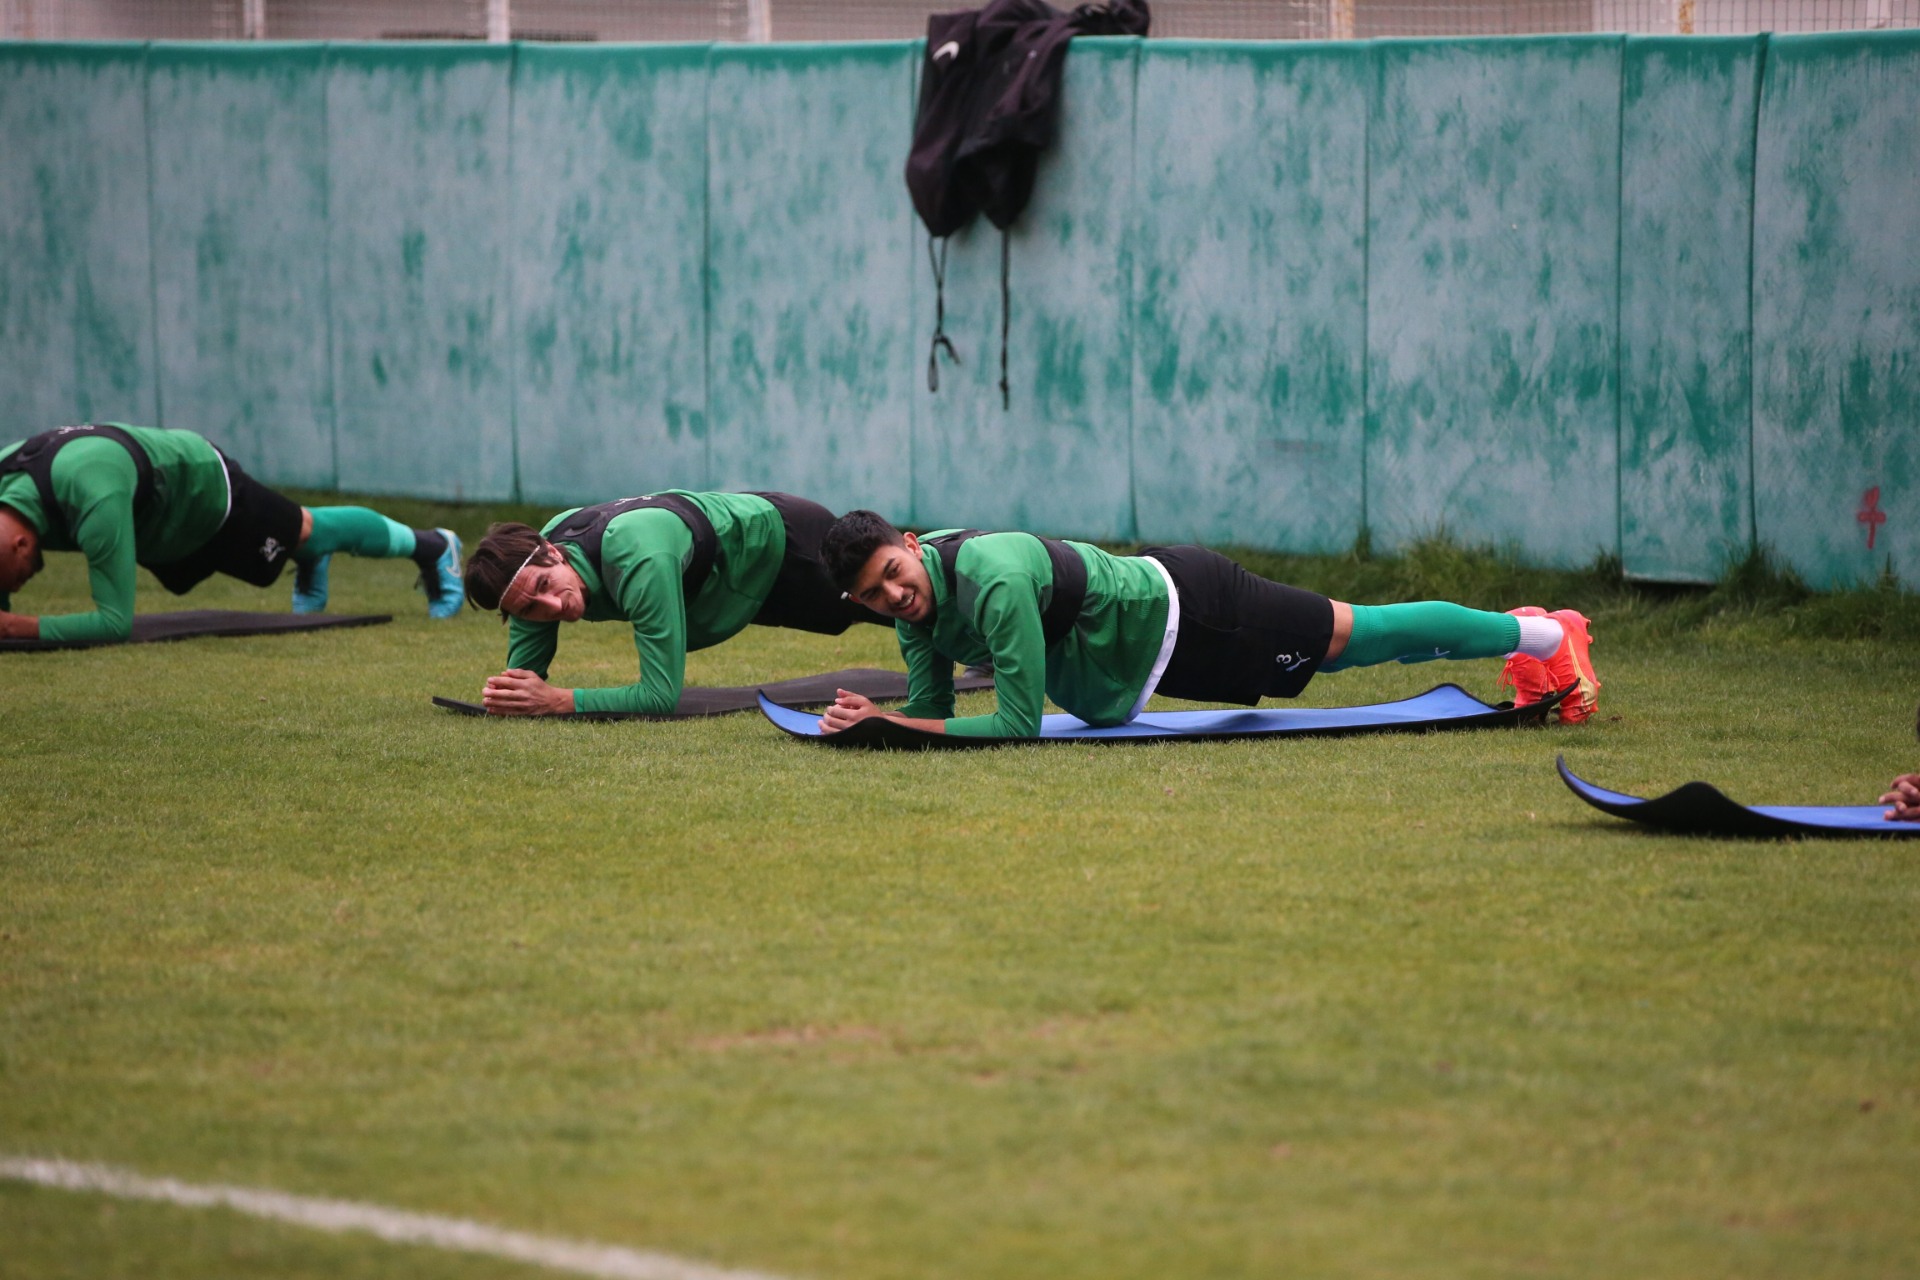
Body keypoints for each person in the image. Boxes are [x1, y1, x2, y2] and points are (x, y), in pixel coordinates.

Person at [813, 511, 1601, 738]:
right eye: (876, 598)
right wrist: (882, 720)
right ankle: (1527, 632)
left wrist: (900, 727)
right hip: (1158, 646)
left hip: (1198, 613)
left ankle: (1543, 635)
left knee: (1360, 639)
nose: (895, 597)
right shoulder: (911, 612)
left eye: (894, 573)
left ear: (909, 546)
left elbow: (1018, 723)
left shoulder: (993, 577)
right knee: (1340, 658)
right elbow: (936, 711)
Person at [0, 423, 462, 643]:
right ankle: (309, 555)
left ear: (22, 544)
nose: (17, 587)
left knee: (306, 527)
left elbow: (114, 623)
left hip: (198, 488)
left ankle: (432, 544)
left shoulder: (95, 501)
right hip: (150, 514)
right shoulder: (10, 488)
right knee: (295, 541)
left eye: (10, 577)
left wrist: (21, 626)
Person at [460, 490, 885, 716]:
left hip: (784, 543)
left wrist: (558, 700)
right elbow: (524, 678)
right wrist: (516, 693)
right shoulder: (529, 572)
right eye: (530, 609)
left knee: (885, 595)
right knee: (860, 611)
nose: (551, 607)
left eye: (546, 586)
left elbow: (659, 696)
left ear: (551, 552)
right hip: (732, 575)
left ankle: (950, 573)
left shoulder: (638, 559)